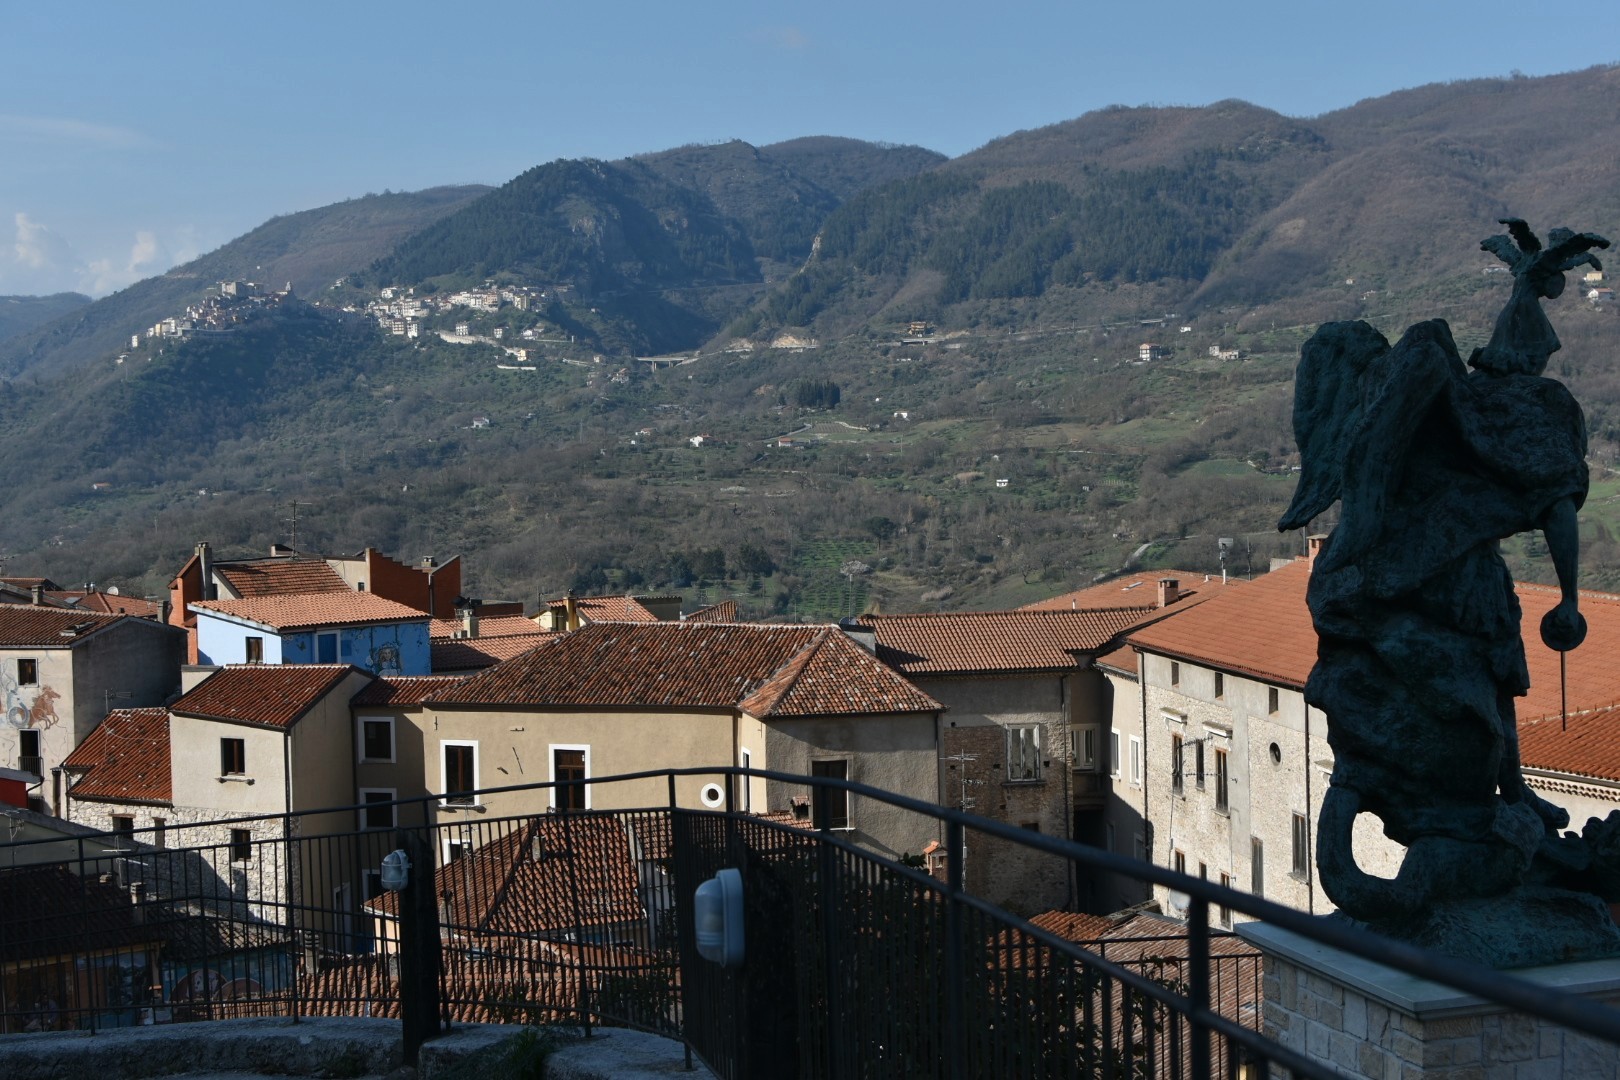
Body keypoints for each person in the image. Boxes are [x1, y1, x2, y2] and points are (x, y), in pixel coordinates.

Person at [1280, 220, 1608, 927]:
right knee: (1483, 684)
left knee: (1495, 674)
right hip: (1438, 581)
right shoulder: (1519, 414)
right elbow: (1558, 513)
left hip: (1444, 577)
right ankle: (1501, 793)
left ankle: (1512, 791)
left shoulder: (1462, 401)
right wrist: (1573, 600)